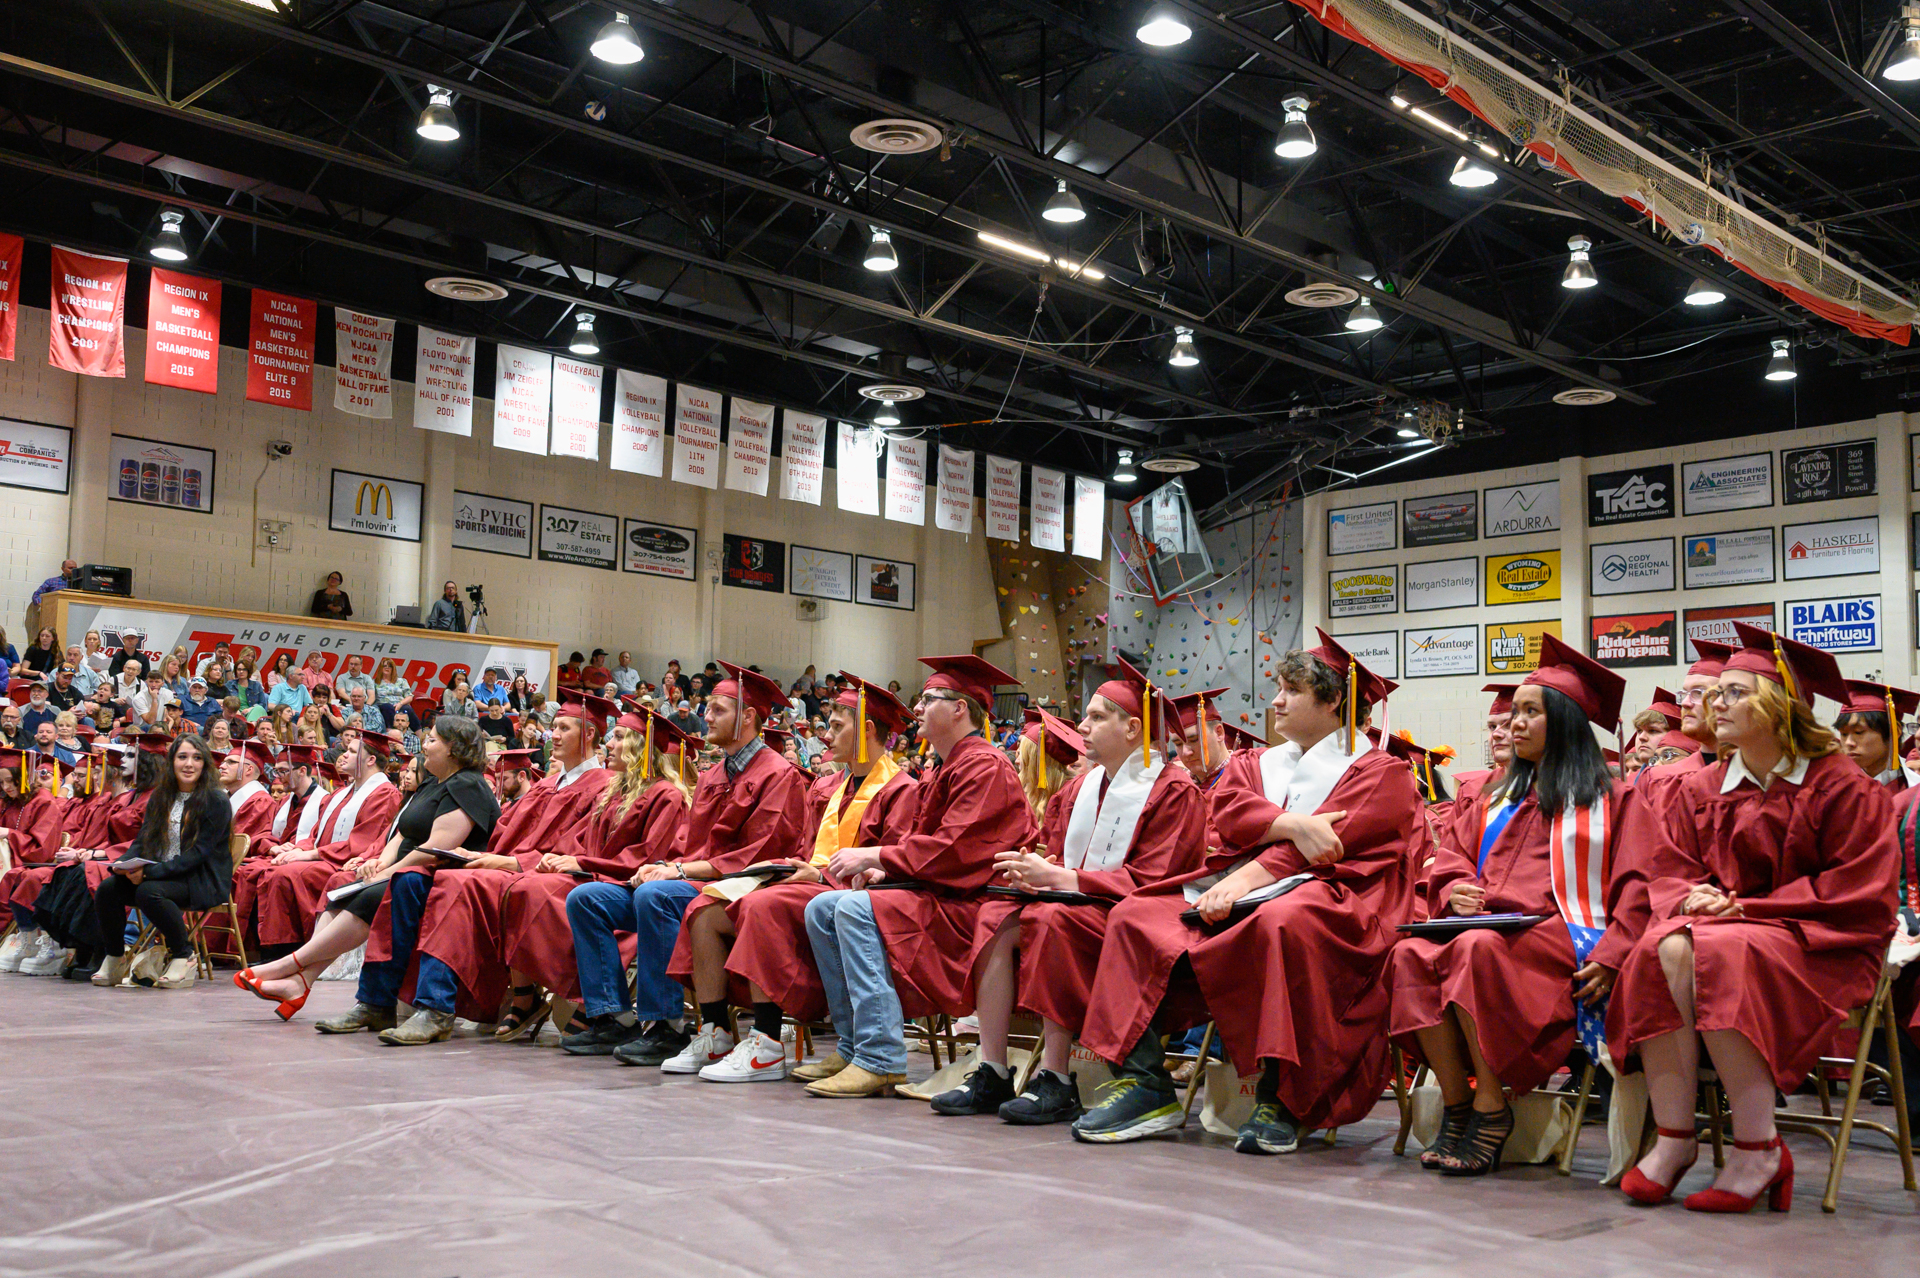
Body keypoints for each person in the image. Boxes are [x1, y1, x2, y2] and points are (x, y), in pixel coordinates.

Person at [1067, 633, 1422, 1152]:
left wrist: (1249, 873)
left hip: (1335, 901)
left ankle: (1280, 1097)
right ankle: (1148, 1086)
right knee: (1135, 916)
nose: (1274, 700)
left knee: (1285, 922)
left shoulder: (1381, 772)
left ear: (1334, 702)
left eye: (1289, 690)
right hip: (1242, 892)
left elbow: (1322, 852)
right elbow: (1228, 812)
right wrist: (1293, 822)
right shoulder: (1257, 763)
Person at [1616, 624, 1895, 1213]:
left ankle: (1758, 1147)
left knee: (1718, 950)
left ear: (1779, 706)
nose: (1717, 702)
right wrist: (1697, 896)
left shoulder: (1842, 785)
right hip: (1726, 931)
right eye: (1718, 693)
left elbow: (1857, 887)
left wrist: (1746, 907)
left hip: (1825, 940)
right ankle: (1675, 1138)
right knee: (1661, 946)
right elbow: (1667, 868)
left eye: (1736, 693)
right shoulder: (1700, 786)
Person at [1388, 635, 1662, 1176]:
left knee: (1474, 949)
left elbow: (1642, 884)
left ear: (1562, 721)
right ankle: (1459, 1104)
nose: (1514, 723)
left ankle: (1492, 1107)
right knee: (1407, 957)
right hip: (1490, 929)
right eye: (1513, 713)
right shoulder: (1495, 794)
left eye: (1530, 713)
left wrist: (1613, 953)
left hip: (1563, 936)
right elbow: (1452, 860)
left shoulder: (1613, 796)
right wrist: (1453, 890)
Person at [937, 663, 1208, 1123]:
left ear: (1133, 728)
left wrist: (1063, 881)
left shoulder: (1174, 790)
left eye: (1098, 717)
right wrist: (1034, 874)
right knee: (996, 913)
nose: (1082, 726)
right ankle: (993, 1069)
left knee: (1050, 920)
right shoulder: (1080, 788)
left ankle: (1056, 1078)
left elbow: (1157, 879)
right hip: (1083, 903)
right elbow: (1062, 857)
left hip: (1136, 920)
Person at [801, 655, 1036, 1098]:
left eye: (928, 700)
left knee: (851, 907)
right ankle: (852, 1047)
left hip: (970, 903)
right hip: (936, 892)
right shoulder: (942, 767)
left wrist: (879, 857)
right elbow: (923, 845)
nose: (917, 708)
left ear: (959, 709)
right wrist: (880, 868)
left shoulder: (983, 765)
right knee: (819, 907)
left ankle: (880, 1057)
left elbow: (957, 849)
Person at [664, 674, 920, 1081]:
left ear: (867, 730)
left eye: (837, 727)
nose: (826, 735)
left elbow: (892, 864)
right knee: (704, 908)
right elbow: (808, 850)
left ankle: (766, 1042)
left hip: (855, 900)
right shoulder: (830, 787)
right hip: (813, 885)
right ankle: (714, 1031)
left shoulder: (901, 789)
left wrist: (815, 874)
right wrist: (798, 869)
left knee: (759, 905)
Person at [561, 664, 808, 1063]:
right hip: (691, 882)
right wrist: (657, 865)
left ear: (747, 717)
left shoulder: (779, 775)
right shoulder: (713, 776)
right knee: (588, 898)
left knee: (656, 896)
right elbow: (686, 844)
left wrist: (675, 871)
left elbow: (759, 855)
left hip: (740, 888)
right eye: (707, 708)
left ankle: (667, 1026)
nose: (705, 716)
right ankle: (613, 1017)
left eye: (717, 710)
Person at [368, 695, 622, 1044]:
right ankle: (376, 999)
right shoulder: (547, 787)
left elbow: (584, 849)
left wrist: (507, 862)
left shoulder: (604, 786)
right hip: (508, 867)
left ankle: (436, 1007)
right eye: (554, 727)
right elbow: (504, 835)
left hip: (550, 874)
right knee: (411, 877)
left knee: (458, 884)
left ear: (590, 735)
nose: (555, 735)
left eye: (564, 728)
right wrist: (470, 855)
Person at [234, 718, 497, 1022]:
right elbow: (402, 833)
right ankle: (300, 982)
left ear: (454, 749)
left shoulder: (467, 784)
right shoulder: (431, 782)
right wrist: (381, 861)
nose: (424, 746)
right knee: (342, 893)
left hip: (442, 877)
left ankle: (290, 965)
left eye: (433, 740)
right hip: (406, 870)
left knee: (372, 895)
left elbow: (437, 846)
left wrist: (389, 871)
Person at [494, 709, 699, 1041]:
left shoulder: (667, 795)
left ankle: (656, 1022)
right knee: (567, 893)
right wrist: (563, 858)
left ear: (640, 748)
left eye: (619, 738)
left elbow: (647, 856)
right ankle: (612, 1015)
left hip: (640, 885)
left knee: (570, 894)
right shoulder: (615, 793)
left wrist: (583, 864)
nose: (610, 743)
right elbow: (585, 842)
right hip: (606, 880)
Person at [88, 734, 233, 991]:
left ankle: (183, 954)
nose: (189, 764)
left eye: (197, 758)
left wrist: (149, 873)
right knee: (108, 889)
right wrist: (125, 864)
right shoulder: (160, 797)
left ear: (205, 764)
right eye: (182, 757)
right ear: (171, 762)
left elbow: (199, 853)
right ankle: (115, 956)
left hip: (200, 879)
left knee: (148, 892)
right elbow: (143, 841)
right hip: (162, 875)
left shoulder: (216, 800)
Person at [1635, 641, 1734, 816]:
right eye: (1685, 694)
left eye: (1698, 693)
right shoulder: (1658, 780)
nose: (1686, 703)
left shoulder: (1760, 779)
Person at [0, 749, 72, 974]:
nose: (6, 787)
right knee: (13, 875)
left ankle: (44, 942)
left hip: (38, 863)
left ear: (23, 777)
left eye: (10, 781)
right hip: (15, 862)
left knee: (21, 877)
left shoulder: (44, 802)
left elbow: (42, 849)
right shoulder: (9, 803)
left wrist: (8, 834)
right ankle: (27, 938)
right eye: (1, 782)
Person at [1834, 679, 1920, 790]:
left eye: (1858, 732)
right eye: (1844, 734)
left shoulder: (1914, 788)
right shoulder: (1834, 791)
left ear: (1894, 731)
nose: (1849, 743)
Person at [218, 739, 280, 845]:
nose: (221, 766)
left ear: (249, 769)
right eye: (223, 762)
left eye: (231, 762)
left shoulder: (261, 802)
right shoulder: (223, 798)